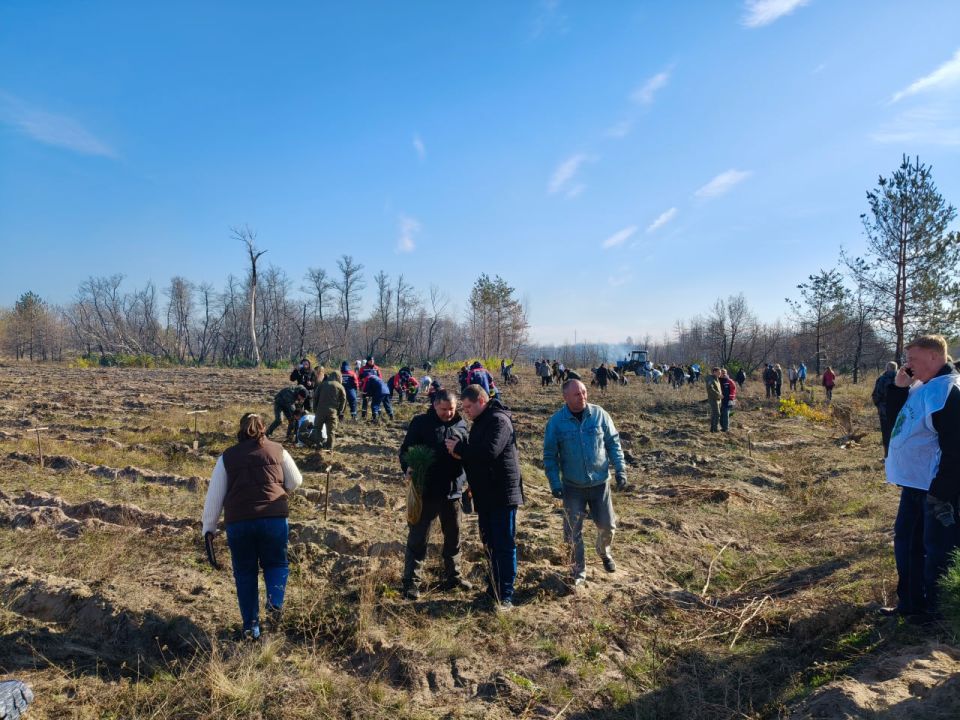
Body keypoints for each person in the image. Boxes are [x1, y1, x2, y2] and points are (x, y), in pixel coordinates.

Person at [201, 413, 303, 639]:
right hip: (273, 518)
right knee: (276, 563)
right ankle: (275, 604)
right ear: (264, 428)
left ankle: (251, 627)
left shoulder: (227, 457)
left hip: (239, 522)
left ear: (240, 429)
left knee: (245, 573)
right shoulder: (278, 450)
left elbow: (215, 495)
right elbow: (296, 480)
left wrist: (209, 528)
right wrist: (278, 488)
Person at [884, 335, 960, 621]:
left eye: (913, 359)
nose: (908, 365)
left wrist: (941, 493)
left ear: (933, 356)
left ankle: (936, 613)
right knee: (906, 544)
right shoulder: (922, 387)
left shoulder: (949, 392)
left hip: (937, 491)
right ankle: (910, 604)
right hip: (914, 485)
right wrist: (898, 390)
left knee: (937, 551)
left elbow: (956, 449)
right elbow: (896, 426)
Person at [445, 385, 524, 610]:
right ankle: (494, 588)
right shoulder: (482, 422)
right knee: (489, 543)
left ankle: (505, 595)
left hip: (502, 494)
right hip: (486, 494)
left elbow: (489, 453)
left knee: (503, 544)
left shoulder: (499, 421)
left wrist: (461, 448)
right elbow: (477, 457)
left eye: (469, 407)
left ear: (481, 400)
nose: (466, 412)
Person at [543, 379, 626, 587]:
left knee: (607, 526)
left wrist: (620, 470)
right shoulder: (556, 422)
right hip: (572, 487)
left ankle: (604, 551)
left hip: (600, 484)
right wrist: (555, 483)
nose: (582, 397)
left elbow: (613, 443)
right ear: (566, 397)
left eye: (584, 392)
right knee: (572, 533)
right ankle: (577, 571)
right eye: (577, 394)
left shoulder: (599, 415)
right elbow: (550, 456)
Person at [398, 388, 471, 599]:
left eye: (452, 409)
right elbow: (405, 450)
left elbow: (468, 454)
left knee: (453, 537)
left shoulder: (461, 424)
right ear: (435, 405)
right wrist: (408, 467)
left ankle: (453, 577)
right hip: (427, 491)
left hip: (453, 492)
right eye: (443, 409)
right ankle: (411, 582)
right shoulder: (421, 423)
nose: (448, 413)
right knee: (418, 537)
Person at [312, 371, 347, 449]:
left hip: (320, 411)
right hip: (332, 411)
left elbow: (315, 397)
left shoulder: (322, 384)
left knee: (317, 428)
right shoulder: (340, 386)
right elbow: (344, 399)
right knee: (331, 431)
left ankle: (319, 445)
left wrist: (315, 409)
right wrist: (340, 411)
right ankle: (330, 447)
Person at [872, 361, 899, 457]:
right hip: (899, 411)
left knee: (886, 432)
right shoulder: (902, 378)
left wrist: (879, 406)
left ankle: (887, 456)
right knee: (898, 432)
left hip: (884, 411)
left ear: (887, 368)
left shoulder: (882, 379)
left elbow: (876, 394)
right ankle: (896, 455)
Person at [706, 367, 723, 433]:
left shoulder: (717, 379)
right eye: (718, 372)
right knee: (717, 414)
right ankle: (715, 429)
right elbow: (710, 389)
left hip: (718, 399)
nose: (720, 374)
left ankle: (712, 429)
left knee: (714, 414)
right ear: (714, 372)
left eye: (720, 373)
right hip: (713, 399)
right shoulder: (710, 379)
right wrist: (718, 394)